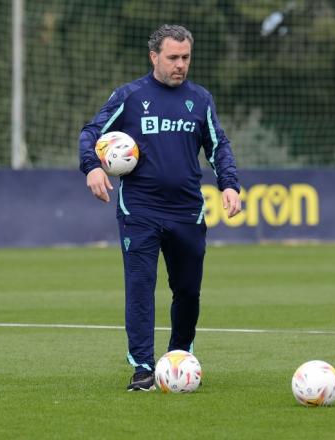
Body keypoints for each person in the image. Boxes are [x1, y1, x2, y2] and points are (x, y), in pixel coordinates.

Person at [79, 24, 241, 391]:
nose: (180, 64)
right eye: (173, 57)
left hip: (188, 212)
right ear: (154, 56)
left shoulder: (200, 99)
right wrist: (91, 166)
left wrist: (229, 185)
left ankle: (179, 358)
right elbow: (91, 132)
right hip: (140, 211)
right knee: (140, 286)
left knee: (187, 291)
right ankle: (142, 368)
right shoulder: (131, 96)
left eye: (185, 57)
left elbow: (218, 147)